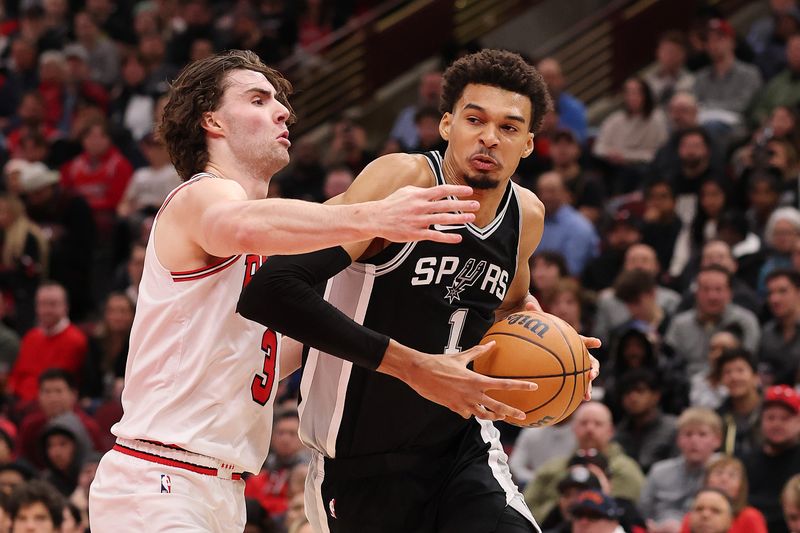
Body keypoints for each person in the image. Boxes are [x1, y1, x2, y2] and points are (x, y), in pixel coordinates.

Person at [87, 49, 518, 532]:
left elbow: (288, 346)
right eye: (258, 98)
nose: (282, 110)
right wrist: (372, 215)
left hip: (219, 487)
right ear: (213, 120)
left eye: (280, 100)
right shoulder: (200, 196)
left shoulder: (269, 244)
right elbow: (237, 224)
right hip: (159, 479)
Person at [239, 49, 600, 533]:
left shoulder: (525, 215)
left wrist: (562, 352)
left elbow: (507, 311)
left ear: (530, 144)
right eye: (476, 119)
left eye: (510, 128)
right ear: (447, 124)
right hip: (359, 464)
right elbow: (272, 291)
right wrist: (415, 367)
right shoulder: (404, 182)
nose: (490, 138)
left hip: (461, 453)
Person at [639, 407, 723, 533]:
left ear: (717, 440)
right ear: (678, 439)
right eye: (688, 434)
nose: (694, 441)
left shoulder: (725, 472)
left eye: (702, 434)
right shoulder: (660, 471)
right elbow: (642, 513)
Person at [744, 385, 800, 533]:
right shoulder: (746, 461)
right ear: (761, 420)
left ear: (798, 421)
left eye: (785, 418)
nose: (776, 424)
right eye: (770, 417)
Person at [679, 456, 767, 533]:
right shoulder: (694, 516)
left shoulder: (750, 516)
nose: (724, 479)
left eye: (732, 475)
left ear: (741, 485)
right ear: (706, 480)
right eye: (718, 473)